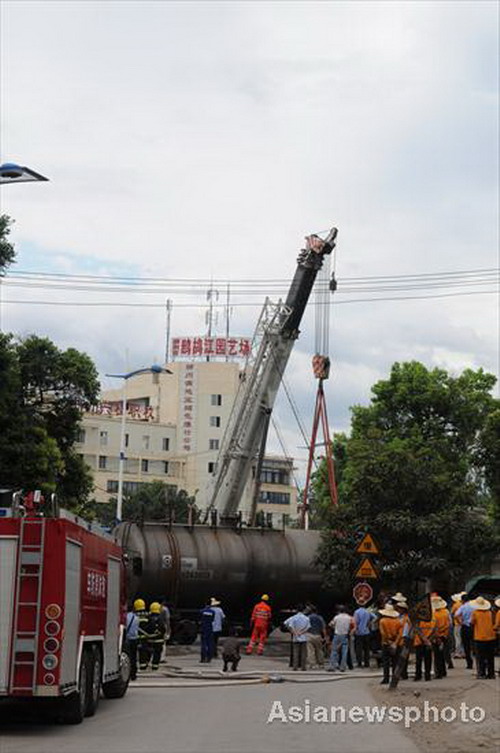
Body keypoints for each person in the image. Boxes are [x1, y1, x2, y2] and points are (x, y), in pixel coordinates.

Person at [470, 596, 495, 679]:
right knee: (490, 657)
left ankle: (482, 673)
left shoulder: (475, 613)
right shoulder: (489, 612)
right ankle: (491, 673)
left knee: (480, 657)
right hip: (490, 636)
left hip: (480, 637)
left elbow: (472, 622)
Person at [378, 604, 402, 685]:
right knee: (395, 661)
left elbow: (383, 633)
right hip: (395, 643)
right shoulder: (398, 621)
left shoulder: (382, 621)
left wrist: (388, 641)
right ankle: (394, 678)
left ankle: (386, 678)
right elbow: (400, 634)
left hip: (385, 643)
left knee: (386, 662)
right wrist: (395, 643)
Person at [284, 605, 311, 671]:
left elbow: (288, 625)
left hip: (295, 637)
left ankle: (295, 667)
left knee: (295, 652)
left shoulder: (293, 618)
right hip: (303, 637)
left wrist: (294, 632)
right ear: (303, 610)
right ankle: (303, 667)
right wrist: (301, 632)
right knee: (303, 653)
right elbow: (308, 627)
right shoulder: (306, 618)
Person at [328, 605, 354, 672]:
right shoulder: (349, 618)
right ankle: (343, 667)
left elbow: (330, 624)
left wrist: (335, 628)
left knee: (334, 651)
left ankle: (332, 666)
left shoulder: (336, 617)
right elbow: (352, 626)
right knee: (344, 651)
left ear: (339, 611)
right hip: (345, 635)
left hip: (337, 635)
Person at [455, 594, 477, 669]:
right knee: (475, 645)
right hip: (473, 627)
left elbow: (456, 615)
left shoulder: (463, 607)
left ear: (463, 600)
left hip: (465, 627)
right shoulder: (474, 606)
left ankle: (469, 663)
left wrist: (460, 622)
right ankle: (478, 662)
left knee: (466, 646)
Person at [413, 612, 436, 682]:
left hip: (419, 641)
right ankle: (427, 675)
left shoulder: (419, 619)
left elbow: (417, 630)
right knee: (428, 659)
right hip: (428, 641)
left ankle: (418, 675)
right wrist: (428, 640)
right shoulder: (433, 619)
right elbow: (434, 631)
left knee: (418, 660)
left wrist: (424, 639)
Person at [432, 596, 451, 679]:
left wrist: (436, 636)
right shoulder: (445, 613)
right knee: (442, 654)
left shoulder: (434, 615)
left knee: (437, 656)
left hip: (437, 636)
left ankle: (438, 673)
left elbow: (434, 627)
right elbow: (448, 624)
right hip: (444, 635)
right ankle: (443, 671)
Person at [143, 602, 166, 671]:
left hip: (150, 640)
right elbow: (163, 628)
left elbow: (146, 628)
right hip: (159, 640)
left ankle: (146, 663)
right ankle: (155, 666)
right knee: (157, 653)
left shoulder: (148, 618)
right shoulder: (160, 619)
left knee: (148, 652)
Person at [305, 605, 327, 669]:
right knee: (319, 650)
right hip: (318, 635)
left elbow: (306, 627)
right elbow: (323, 628)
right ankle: (321, 664)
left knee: (310, 651)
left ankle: (312, 664)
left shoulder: (307, 618)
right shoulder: (320, 618)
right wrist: (325, 637)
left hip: (309, 635)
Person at [353, 604, 373, 668]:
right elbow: (375, 617)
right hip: (366, 632)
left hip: (359, 632)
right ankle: (367, 663)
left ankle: (359, 663)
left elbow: (356, 621)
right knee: (366, 648)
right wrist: (369, 622)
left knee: (359, 648)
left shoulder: (357, 612)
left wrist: (355, 629)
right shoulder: (368, 612)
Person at [125, 602, 140, 681]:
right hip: (134, 639)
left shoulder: (125, 617)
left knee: (128, 657)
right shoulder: (136, 618)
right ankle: (133, 674)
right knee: (134, 657)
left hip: (127, 639)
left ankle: (127, 673)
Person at [136, 598, 152, 671]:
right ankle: (144, 664)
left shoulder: (134, 615)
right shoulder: (148, 614)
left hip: (136, 636)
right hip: (146, 636)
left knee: (137, 651)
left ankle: (138, 665)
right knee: (146, 650)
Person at [451, 592, 466, 658]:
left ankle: (457, 652)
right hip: (464, 623)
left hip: (457, 624)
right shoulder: (464, 604)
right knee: (462, 639)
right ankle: (463, 652)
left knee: (457, 638)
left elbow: (452, 613)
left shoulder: (456, 605)